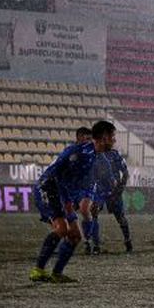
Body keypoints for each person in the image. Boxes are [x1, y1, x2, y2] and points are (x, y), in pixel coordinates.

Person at [30, 120, 117, 283]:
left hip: (62, 192)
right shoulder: (80, 152)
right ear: (104, 137)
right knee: (62, 229)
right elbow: (56, 176)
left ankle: (56, 273)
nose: (114, 140)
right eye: (113, 136)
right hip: (48, 188)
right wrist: (68, 204)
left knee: (75, 236)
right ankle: (38, 270)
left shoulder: (93, 154)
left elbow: (72, 180)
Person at [87, 145, 133, 254]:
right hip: (99, 190)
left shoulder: (115, 154)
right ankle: (96, 245)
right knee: (94, 212)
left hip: (114, 191)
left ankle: (127, 240)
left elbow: (125, 173)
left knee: (120, 217)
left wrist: (119, 189)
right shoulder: (94, 154)